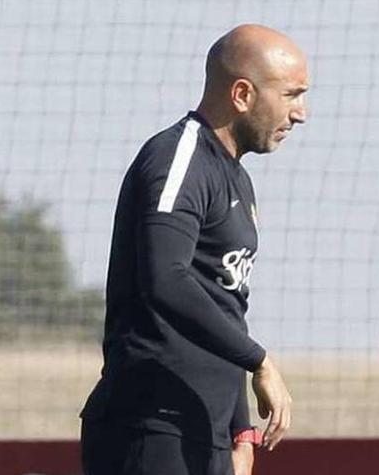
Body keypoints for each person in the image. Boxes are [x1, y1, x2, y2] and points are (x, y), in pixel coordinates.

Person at [80, 24, 308, 475]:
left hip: (207, 432)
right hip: (152, 424)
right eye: (291, 94)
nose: (301, 113)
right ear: (242, 94)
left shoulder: (238, 178)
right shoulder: (178, 158)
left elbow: (226, 306)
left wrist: (238, 430)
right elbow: (166, 278)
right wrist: (259, 361)